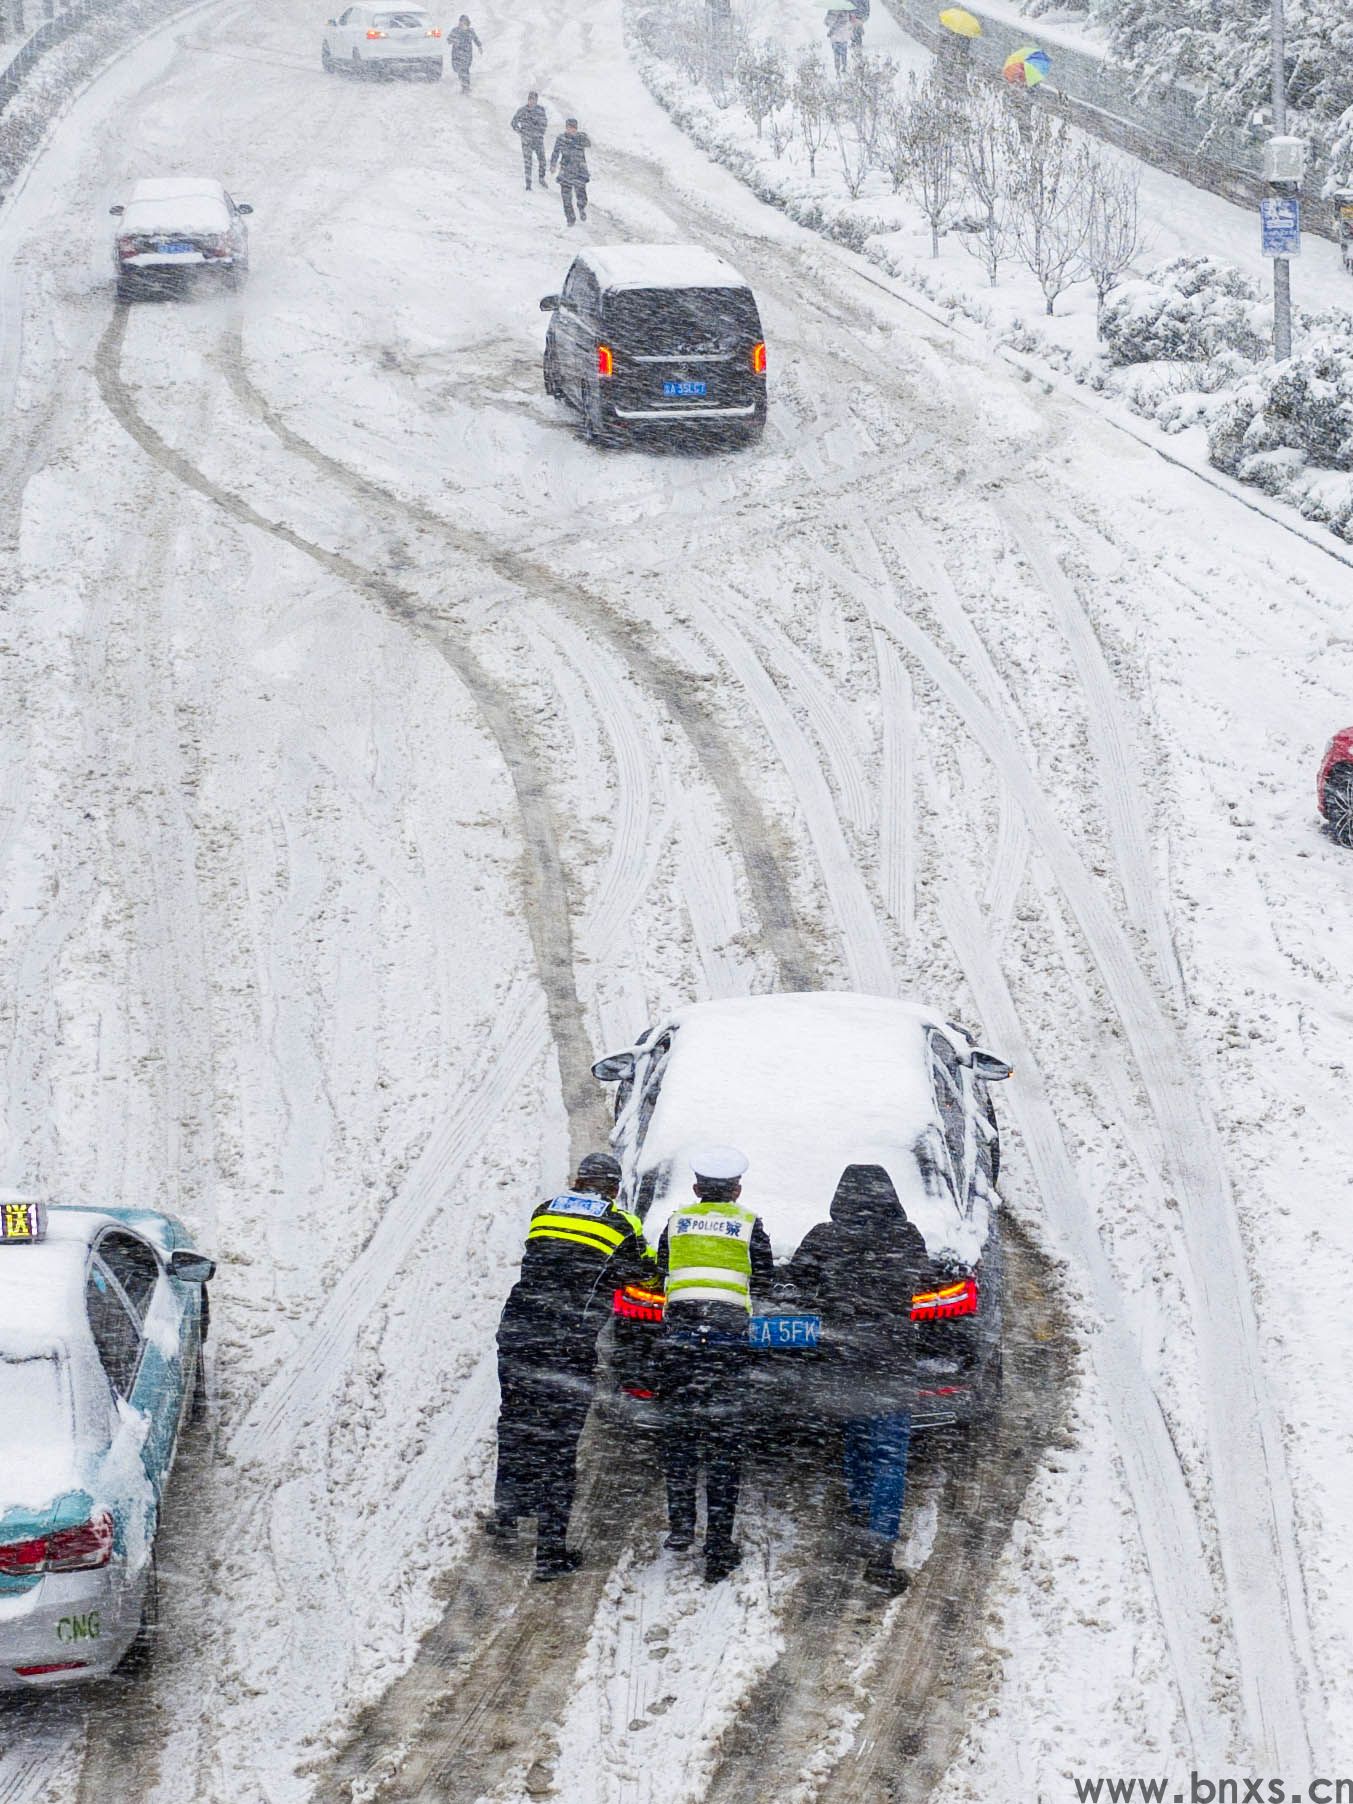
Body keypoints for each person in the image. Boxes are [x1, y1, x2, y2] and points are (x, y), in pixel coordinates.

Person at [487, 1151, 652, 1580]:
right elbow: (644, 1275)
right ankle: (549, 1553)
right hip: (565, 1341)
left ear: (577, 1180)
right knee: (558, 1443)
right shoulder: (622, 1223)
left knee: (517, 1423)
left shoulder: (544, 1211)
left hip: (519, 1331)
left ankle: (506, 1515)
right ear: (614, 1189)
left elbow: (555, 1258)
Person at [785, 1164, 928, 1595]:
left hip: (842, 1358)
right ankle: (881, 1548)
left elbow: (795, 1281)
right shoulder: (907, 1238)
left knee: (855, 1433)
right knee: (890, 1455)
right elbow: (924, 1280)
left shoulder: (824, 1237)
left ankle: (858, 1505)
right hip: (892, 1359)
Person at [655, 1145, 774, 1583]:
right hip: (726, 1344)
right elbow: (764, 1278)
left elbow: (662, 1266)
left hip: (681, 1342)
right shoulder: (747, 1224)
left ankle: (681, 1526)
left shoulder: (677, 1221)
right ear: (737, 1189)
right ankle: (719, 1546)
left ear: (696, 1187)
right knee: (724, 1442)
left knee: (680, 1433)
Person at [549, 118, 591, 226]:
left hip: (579, 170)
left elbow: (588, 144)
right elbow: (555, 152)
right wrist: (553, 164)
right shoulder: (561, 138)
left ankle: (581, 208)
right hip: (566, 170)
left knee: (581, 194)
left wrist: (581, 136)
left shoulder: (581, 137)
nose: (571, 130)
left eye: (573, 128)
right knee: (566, 197)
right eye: (569, 127)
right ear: (566, 128)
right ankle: (570, 219)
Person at [512, 90, 548, 191]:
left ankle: (541, 178)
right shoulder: (522, 111)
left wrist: (541, 132)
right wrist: (521, 132)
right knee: (528, 162)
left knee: (542, 160)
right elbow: (513, 122)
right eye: (531, 100)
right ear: (528, 100)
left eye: (534, 100)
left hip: (538, 140)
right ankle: (528, 183)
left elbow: (544, 122)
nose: (532, 102)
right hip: (527, 140)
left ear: (537, 101)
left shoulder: (540, 110)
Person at [448, 14, 481, 92]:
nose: (462, 23)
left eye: (464, 22)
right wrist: (454, 40)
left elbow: (475, 39)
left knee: (465, 69)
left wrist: (479, 46)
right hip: (456, 54)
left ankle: (466, 86)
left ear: (467, 23)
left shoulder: (470, 31)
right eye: (461, 21)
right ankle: (464, 85)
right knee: (459, 70)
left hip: (467, 54)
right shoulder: (455, 30)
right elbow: (449, 40)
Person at [825, 9, 852, 76]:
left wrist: (831, 29)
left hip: (836, 37)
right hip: (843, 36)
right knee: (843, 53)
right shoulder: (846, 11)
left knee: (836, 53)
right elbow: (848, 22)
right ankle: (843, 67)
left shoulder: (831, 11)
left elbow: (826, 22)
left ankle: (838, 69)